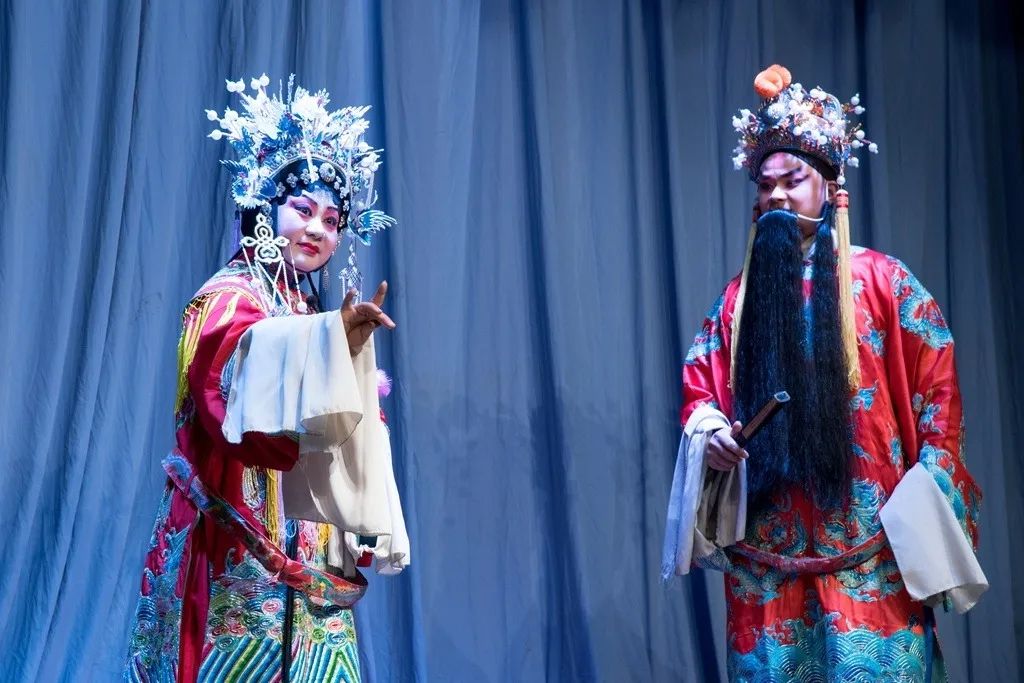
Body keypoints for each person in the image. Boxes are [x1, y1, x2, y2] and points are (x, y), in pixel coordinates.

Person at [662, 65, 986, 681]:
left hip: (873, 546)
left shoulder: (885, 283)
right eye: (766, 186)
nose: (778, 197)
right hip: (767, 556)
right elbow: (700, 388)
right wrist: (712, 435)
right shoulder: (736, 302)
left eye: (794, 181)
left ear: (831, 187)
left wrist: (926, 490)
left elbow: (937, 393)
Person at [124, 74, 408, 682]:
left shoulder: (311, 313)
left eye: (332, 219)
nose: (318, 229)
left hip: (307, 549)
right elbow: (224, 393)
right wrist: (329, 344)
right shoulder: (226, 298)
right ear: (264, 209)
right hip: (234, 539)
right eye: (302, 210)